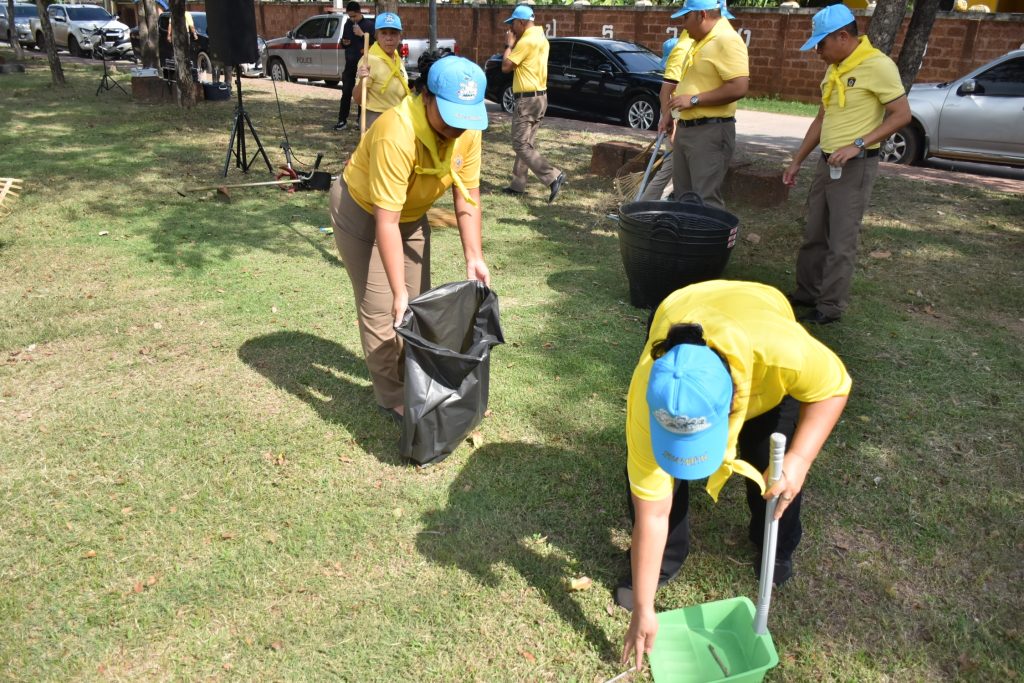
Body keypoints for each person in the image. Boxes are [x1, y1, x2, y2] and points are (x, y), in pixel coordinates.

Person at [617, 280, 851, 672]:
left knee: (770, 460)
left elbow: (834, 387)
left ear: (731, 406)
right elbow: (652, 512)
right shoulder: (650, 394)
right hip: (680, 308)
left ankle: (776, 547)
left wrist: (799, 459)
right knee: (656, 478)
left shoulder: (785, 353)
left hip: (758, 326)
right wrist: (644, 607)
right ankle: (664, 562)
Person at [329, 55, 491, 420]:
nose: (457, 128)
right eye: (450, 116)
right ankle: (392, 396)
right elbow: (385, 222)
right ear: (426, 96)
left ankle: (414, 380)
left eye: (465, 118)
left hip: (412, 215)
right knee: (383, 306)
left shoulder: (468, 128)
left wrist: (474, 256)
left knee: (419, 304)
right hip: (363, 211)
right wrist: (397, 291)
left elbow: (468, 195)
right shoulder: (396, 131)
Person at [783, 5, 911, 325]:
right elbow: (822, 118)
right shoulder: (835, 68)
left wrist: (858, 145)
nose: (818, 52)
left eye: (821, 44)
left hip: (856, 167)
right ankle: (806, 293)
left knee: (840, 241)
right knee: (814, 233)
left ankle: (829, 307)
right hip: (826, 163)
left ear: (843, 36)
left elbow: (901, 115)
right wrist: (797, 160)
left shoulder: (878, 66)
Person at [661, 0, 748, 209]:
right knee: (683, 197)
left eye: (686, 17)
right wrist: (669, 114)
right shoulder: (700, 40)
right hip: (686, 128)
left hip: (709, 131)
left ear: (701, 15)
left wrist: (694, 100)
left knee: (705, 201)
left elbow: (739, 87)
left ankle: (707, 233)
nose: (683, 24)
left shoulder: (727, 39)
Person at [500, 4, 566, 203]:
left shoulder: (526, 41)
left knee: (520, 144)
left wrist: (509, 45)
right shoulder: (541, 38)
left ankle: (553, 176)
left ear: (521, 22)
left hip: (527, 100)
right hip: (540, 98)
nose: (511, 28)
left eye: (513, 24)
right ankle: (517, 185)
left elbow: (505, 67)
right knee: (527, 143)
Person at [640, 34, 691, 202]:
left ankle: (662, 202)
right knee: (670, 167)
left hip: (674, 117)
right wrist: (671, 125)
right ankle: (646, 204)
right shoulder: (676, 69)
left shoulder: (685, 71)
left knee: (677, 169)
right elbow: (666, 96)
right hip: (673, 118)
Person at [353, 12, 410, 132]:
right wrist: (362, 80)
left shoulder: (397, 58)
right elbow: (358, 99)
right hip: (375, 119)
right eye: (384, 33)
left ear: (399, 36)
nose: (389, 38)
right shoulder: (369, 60)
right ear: (377, 36)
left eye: (393, 33)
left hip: (397, 118)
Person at [335, 1, 375, 132]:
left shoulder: (369, 25)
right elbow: (344, 41)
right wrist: (344, 43)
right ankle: (342, 120)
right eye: (350, 16)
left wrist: (362, 34)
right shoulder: (347, 24)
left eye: (354, 16)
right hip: (350, 64)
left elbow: (375, 44)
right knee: (346, 91)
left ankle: (360, 120)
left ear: (359, 12)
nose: (352, 19)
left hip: (363, 65)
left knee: (362, 92)